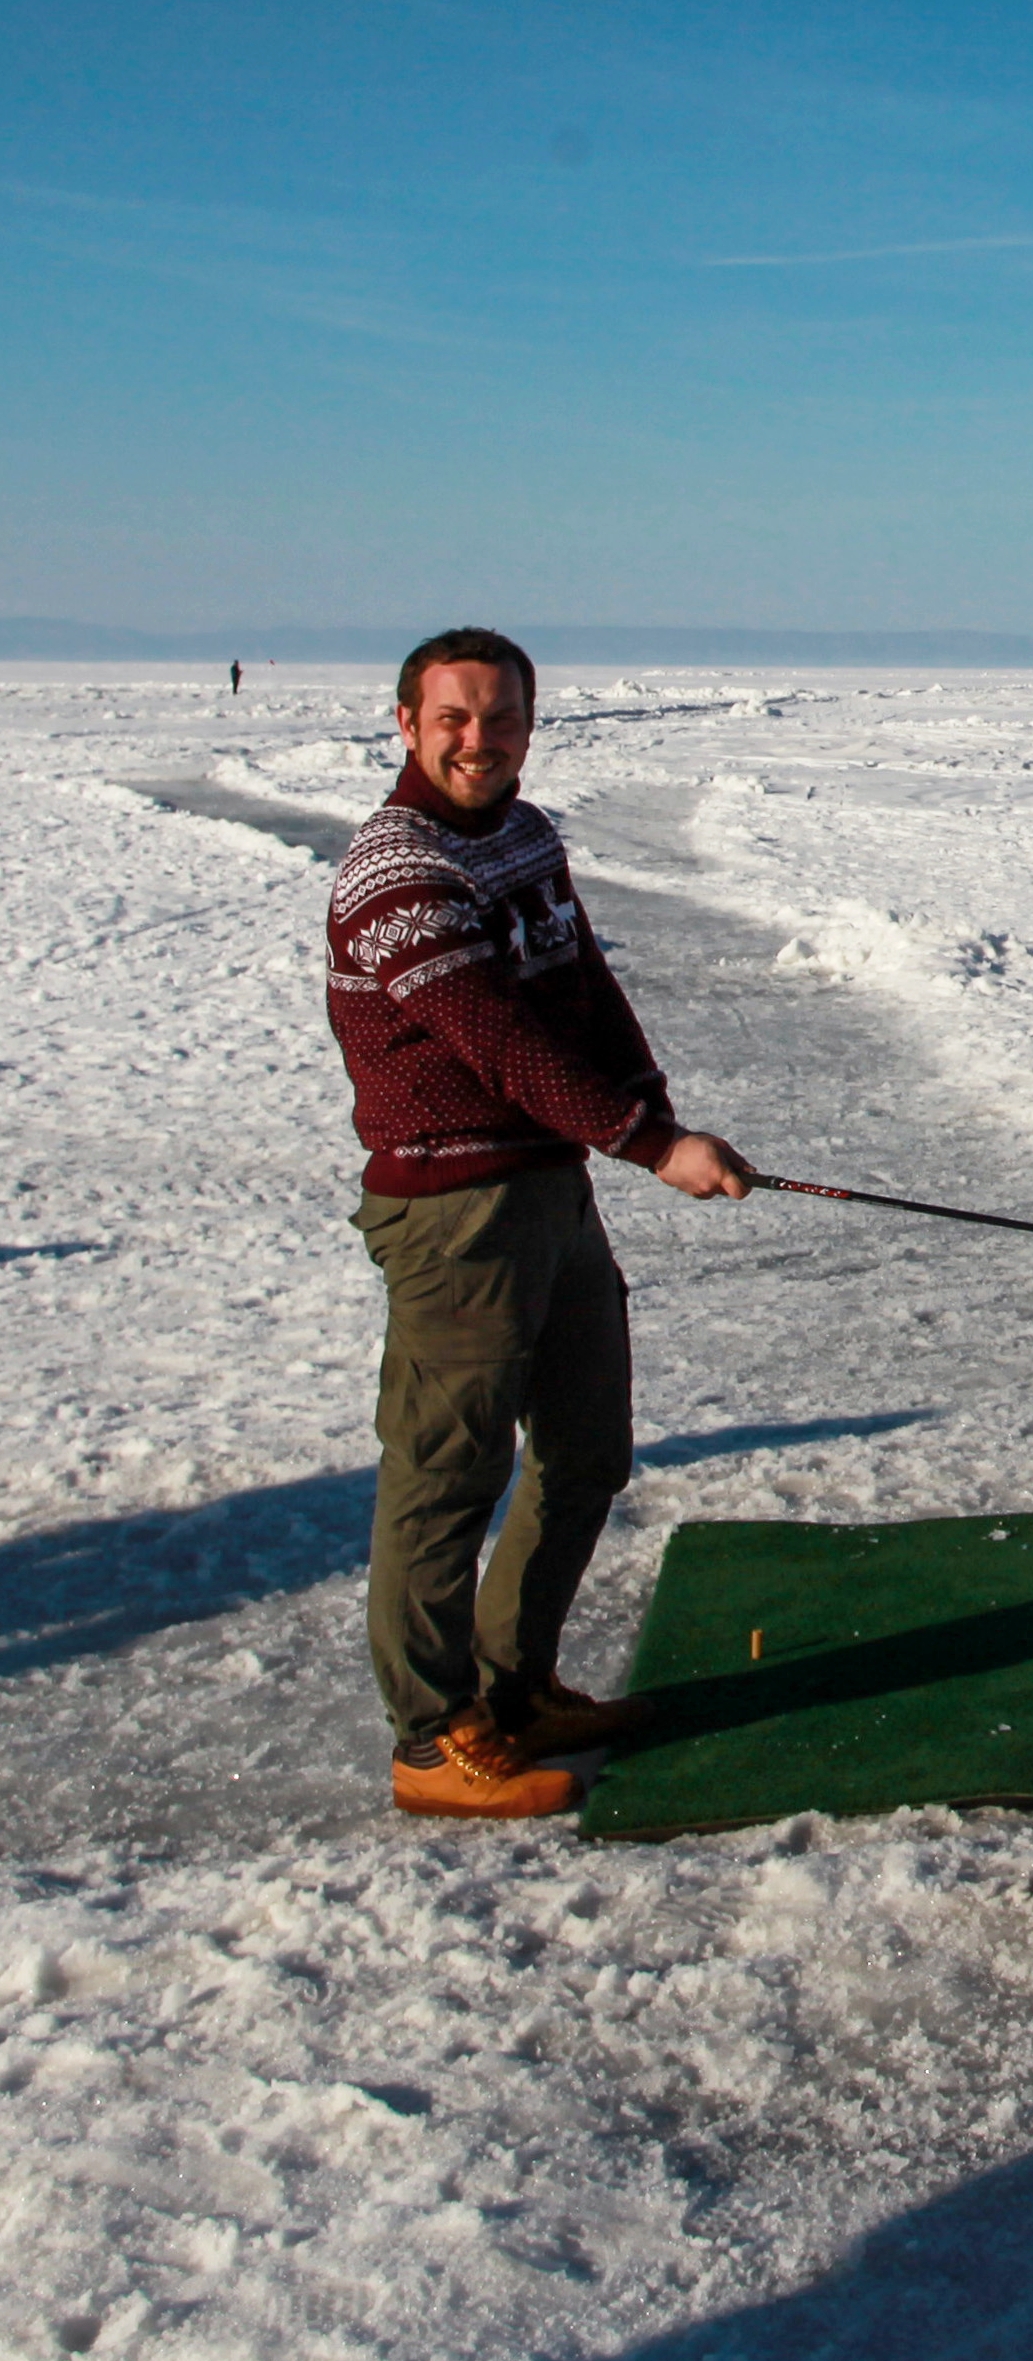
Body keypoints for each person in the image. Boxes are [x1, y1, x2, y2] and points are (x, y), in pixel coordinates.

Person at [329, 628, 756, 1819]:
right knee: (447, 1475)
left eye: (501, 717)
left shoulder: (523, 835)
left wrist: (653, 1111)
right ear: (407, 726)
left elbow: (580, 991)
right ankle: (429, 1736)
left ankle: (515, 1691)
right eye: (454, 719)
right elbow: (498, 1041)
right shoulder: (393, 874)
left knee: (586, 1450)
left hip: (546, 1186)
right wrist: (651, 1146)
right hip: (454, 1213)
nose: (479, 740)